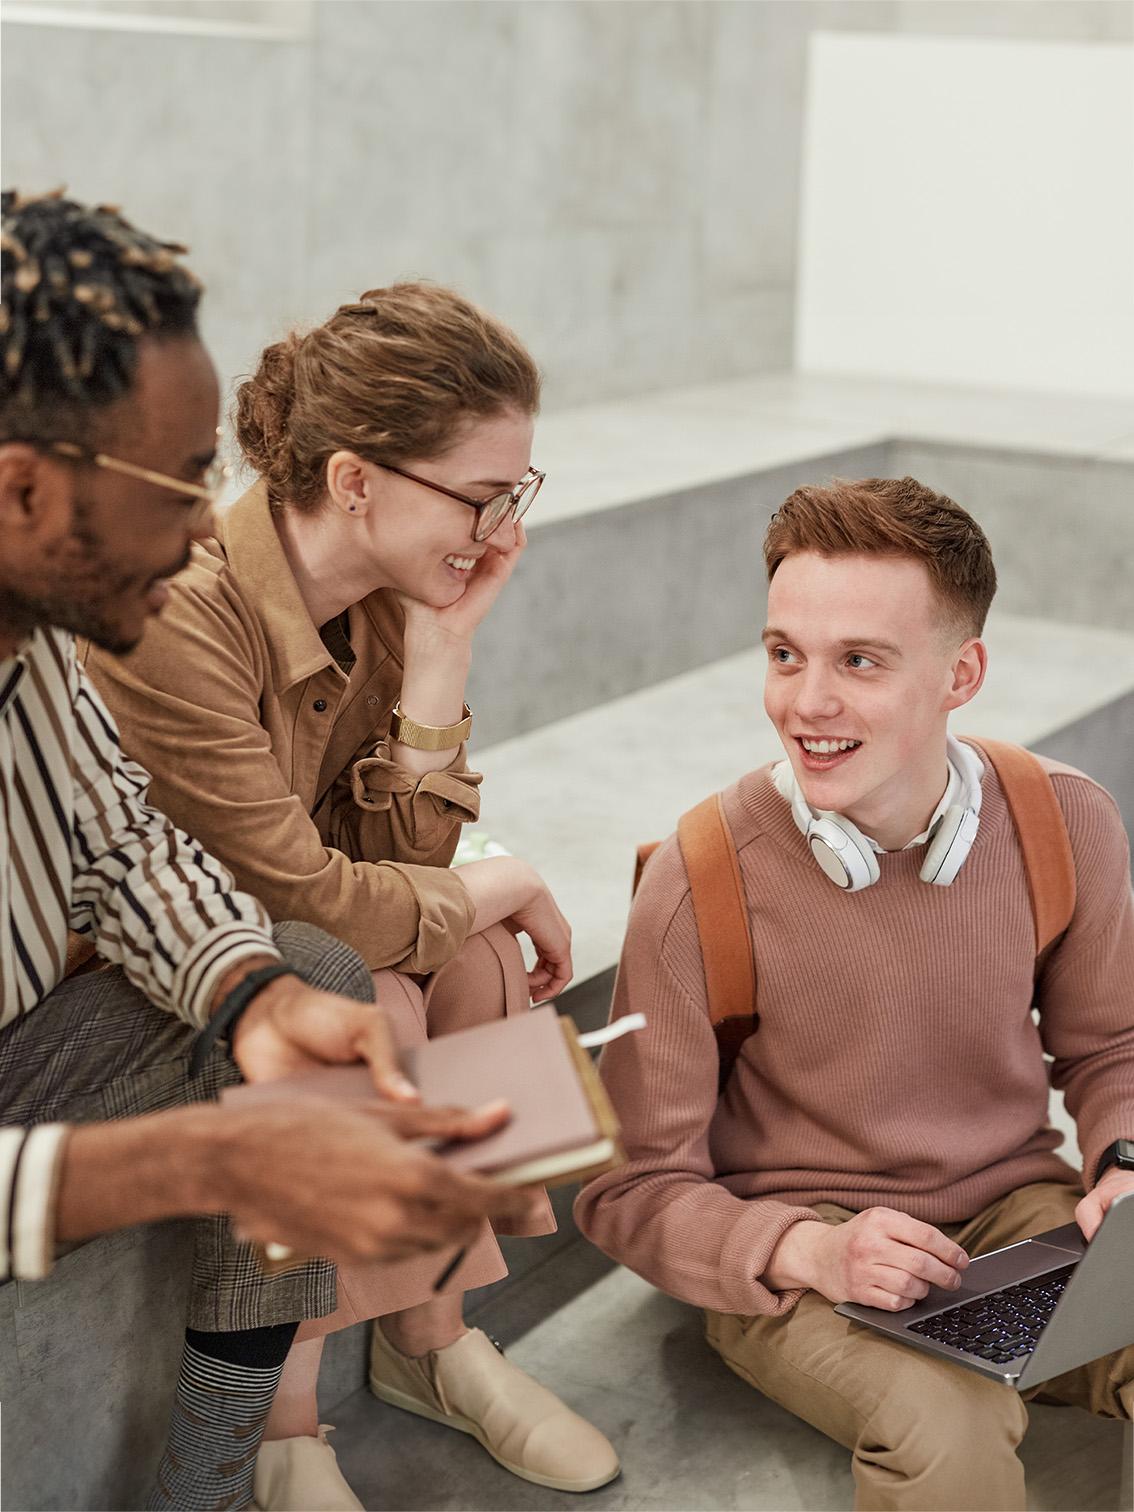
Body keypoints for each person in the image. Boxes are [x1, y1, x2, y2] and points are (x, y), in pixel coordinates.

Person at [0, 188, 542, 1512]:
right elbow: (320, 877)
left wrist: (255, 996)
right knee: (379, 968)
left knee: (326, 976)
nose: (207, 527)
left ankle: (302, 1420)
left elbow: (133, 852)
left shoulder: (45, 648)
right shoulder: (180, 616)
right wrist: (207, 1157)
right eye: (179, 483)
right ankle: (326, 1402)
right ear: (20, 488)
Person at [83, 283, 620, 1500]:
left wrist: (441, 656)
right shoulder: (177, 608)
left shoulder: (384, 600)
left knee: (473, 959)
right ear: (357, 480)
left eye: (516, 492)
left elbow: (410, 878)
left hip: (281, 948)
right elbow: (310, 908)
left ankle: (433, 1337)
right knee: (367, 984)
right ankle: (286, 1417)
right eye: (484, 495)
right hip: (149, 979)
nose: (500, 527)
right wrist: (507, 877)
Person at [575, 477, 1134, 1511]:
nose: (807, 702)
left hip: (1020, 1212)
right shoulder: (699, 880)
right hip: (799, 1248)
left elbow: (1112, 1050)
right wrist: (808, 1248)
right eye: (785, 653)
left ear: (960, 673)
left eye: (859, 662)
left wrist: (1124, 1161)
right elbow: (627, 1189)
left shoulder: (1066, 824)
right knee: (951, 1430)